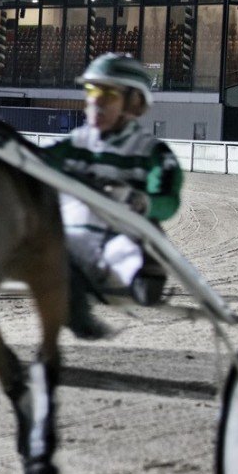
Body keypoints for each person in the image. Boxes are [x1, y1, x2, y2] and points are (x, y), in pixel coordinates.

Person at [43, 53, 183, 340]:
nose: (95, 101)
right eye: (92, 91)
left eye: (108, 94)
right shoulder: (74, 143)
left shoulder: (152, 153)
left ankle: (144, 271)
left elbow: (168, 202)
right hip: (71, 236)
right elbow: (35, 161)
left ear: (133, 102)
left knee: (129, 253)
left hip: (119, 240)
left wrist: (142, 201)